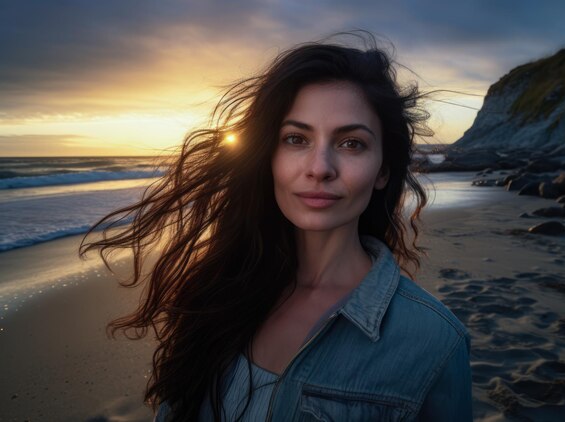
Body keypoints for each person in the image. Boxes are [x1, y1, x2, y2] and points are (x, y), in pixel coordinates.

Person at [80, 32, 472, 421]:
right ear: (267, 156)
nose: (319, 168)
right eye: (296, 139)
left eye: (351, 143)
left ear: (383, 170)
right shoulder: (216, 292)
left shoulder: (434, 341)